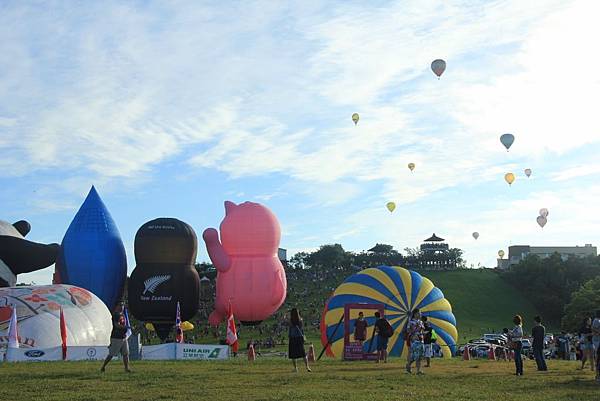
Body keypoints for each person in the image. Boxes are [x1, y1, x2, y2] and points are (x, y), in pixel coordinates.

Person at [100, 303, 131, 373]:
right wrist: (127, 327)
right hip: (116, 338)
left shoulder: (123, 315)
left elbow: (123, 324)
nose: (122, 307)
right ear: (117, 307)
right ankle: (103, 366)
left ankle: (127, 368)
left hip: (123, 337)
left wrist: (125, 332)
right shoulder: (115, 315)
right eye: (120, 305)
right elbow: (117, 325)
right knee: (112, 354)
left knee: (125, 353)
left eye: (122, 305)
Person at [288, 308, 311, 372]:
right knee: (303, 353)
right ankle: (307, 367)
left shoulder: (291, 321)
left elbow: (290, 330)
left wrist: (289, 336)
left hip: (292, 338)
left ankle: (296, 368)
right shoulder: (300, 320)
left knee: (293, 355)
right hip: (299, 338)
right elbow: (302, 329)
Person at [406, 309, 425, 375]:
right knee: (415, 355)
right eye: (419, 313)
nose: (420, 314)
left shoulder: (421, 322)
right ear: (415, 314)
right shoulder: (411, 322)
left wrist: (423, 334)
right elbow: (408, 330)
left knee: (420, 355)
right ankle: (417, 369)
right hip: (414, 340)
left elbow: (422, 330)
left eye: (420, 313)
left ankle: (411, 366)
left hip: (421, 339)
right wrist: (413, 334)